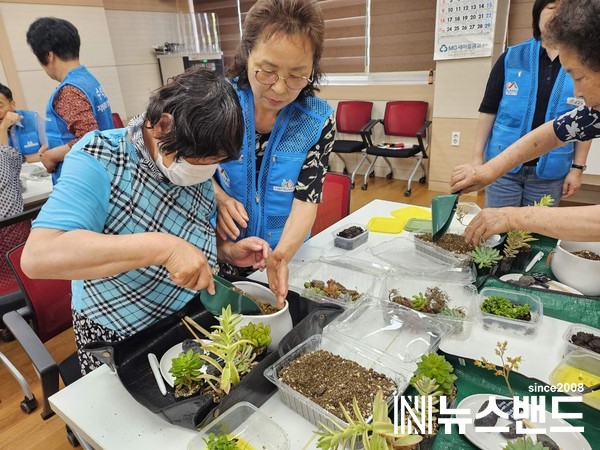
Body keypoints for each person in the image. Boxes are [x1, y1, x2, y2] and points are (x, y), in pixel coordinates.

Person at [21, 67, 270, 375]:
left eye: (215, 163)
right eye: (202, 162)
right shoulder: (100, 158)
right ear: (163, 126)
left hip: (190, 315)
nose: (207, 172)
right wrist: (164, 248)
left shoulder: (191, 153)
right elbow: (38, 256)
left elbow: (185, 231)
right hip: (123, 333)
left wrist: (225, 251)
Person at [214, 0, 335, 305]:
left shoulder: (316, 120)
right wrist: (221, 198)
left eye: (297, 75)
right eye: (267, 71)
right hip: (221, 255)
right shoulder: (218, 105)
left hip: (286, 258)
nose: (279, 89)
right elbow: (190, 170)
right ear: (247, 55)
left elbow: (307, 198)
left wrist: (281, 256)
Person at [451, 0, 600, 245]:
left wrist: (513, 217)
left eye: (579, 76)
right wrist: (489, 169)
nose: (578, 92)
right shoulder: (512, 57)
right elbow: (553, 133)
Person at [474, 0, 590, 208]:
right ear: (537, 13)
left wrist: (577, 168)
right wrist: (478, 160)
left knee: (534, 235)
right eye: (552, 7)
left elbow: (585, 122)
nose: (558, 15)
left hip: (551, 171)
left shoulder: (583, 61)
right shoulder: (511, 57)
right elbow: (488, 110)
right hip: (502, 165)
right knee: (497, 233)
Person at [26, 17, 114, 184]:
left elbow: (90, 140)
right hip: (101, 174)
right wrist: (52, 147)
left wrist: (52, 156)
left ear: (48, 55)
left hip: (81, 182)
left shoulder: (69, 90)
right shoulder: (87, 79)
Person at [0, 83, 47, 163]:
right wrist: (3, 128)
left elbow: (51, 150)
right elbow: (3, 164)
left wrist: (22, 160)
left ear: (13, 105)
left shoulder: (33, 118)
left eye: (0, 107)